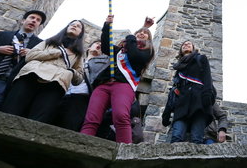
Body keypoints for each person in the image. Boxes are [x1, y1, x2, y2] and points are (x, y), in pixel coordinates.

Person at [80, 15, 154, 143]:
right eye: (139, 32)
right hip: (103, 85)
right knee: (91, 118)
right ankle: (81, 144)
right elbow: (105, 47)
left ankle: (124, 151)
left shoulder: (146, 52)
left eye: (145, 33)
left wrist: (132, 37)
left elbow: (134, 54)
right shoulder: (120, 51)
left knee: (121, 116)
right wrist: (107, 25)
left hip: (123, 85)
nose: (141, 34)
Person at [1, 20, 84, 124]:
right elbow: (30, 56)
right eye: (72, 24)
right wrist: (56, 52)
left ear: (81, 32)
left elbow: (79, 78)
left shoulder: (78, 53)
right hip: (31, 75)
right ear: (66, 27)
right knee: (11, 109)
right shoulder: (49, 42)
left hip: (56, 83)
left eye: (78, 26)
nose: (75, 26)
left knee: (38, 119)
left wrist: (70, 72)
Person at [161, 40, 214, 144]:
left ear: (193, 48)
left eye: (189, 44)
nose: (186, 44)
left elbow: (208, 79)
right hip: (182, 105)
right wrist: (166, 113)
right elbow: (174, 91)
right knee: (176, 137)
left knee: (196, 139)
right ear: (181, 50)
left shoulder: (201, 59)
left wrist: (207, 96)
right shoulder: (179, 68)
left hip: (199, 104)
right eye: (184, 44)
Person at [0, 10, 46, 108]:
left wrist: (32, 54)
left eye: (38, 20)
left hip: (14, 84)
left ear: (38, 26)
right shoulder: (3, 35)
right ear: (23, 21)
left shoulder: (40, 45)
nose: (34, 21)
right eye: (32, 17)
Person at [53, 40, 106, 131]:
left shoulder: (103, 65)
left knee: (69, 127)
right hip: (62, 94)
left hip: (81, 98)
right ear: (89, 48)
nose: (99, 45)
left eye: (102, 45)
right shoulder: (76, 61)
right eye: (97, 43)